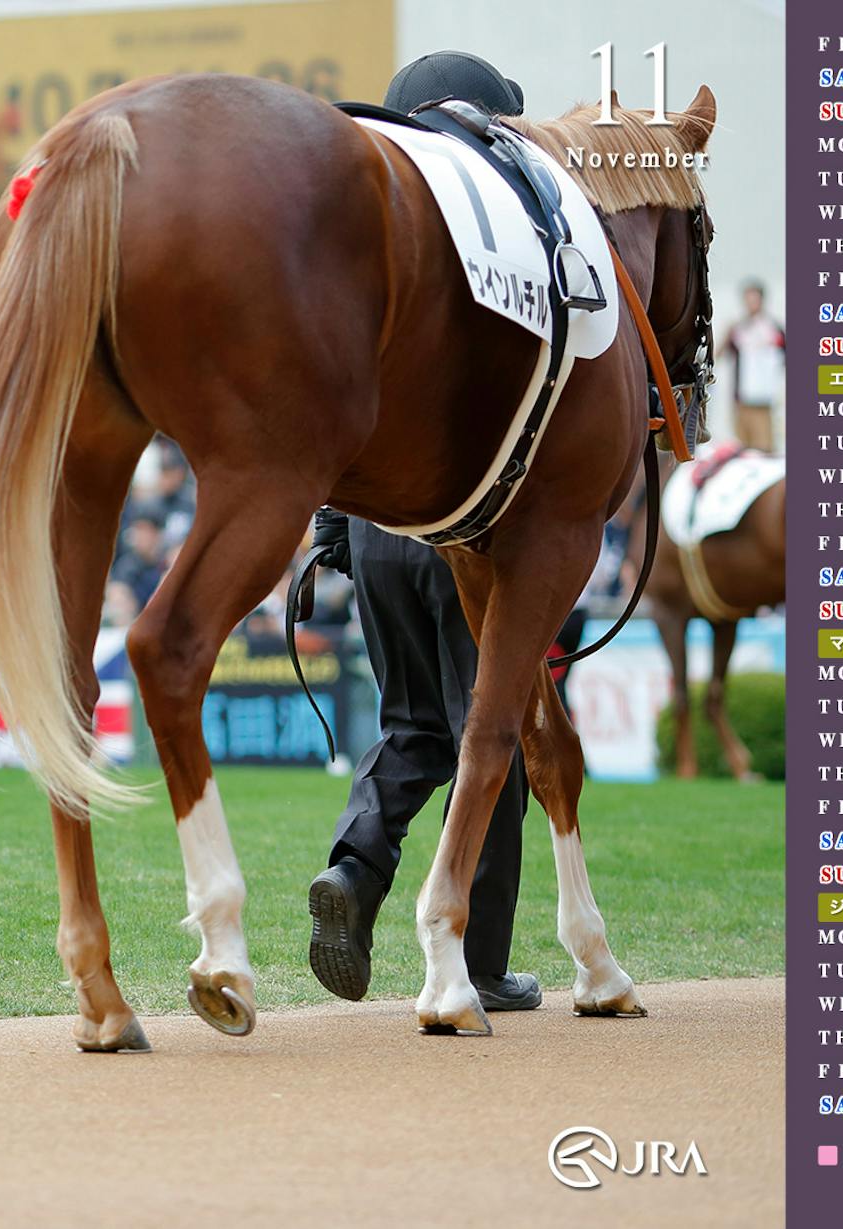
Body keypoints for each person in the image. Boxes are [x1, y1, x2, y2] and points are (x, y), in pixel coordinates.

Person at [303, 50, 541, 1015]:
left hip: (370, 528)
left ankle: (355, 873)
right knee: (497, 741)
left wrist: (329, 526)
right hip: (465, 532)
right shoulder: (505, 249)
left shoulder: (372, 255)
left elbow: (332, 404)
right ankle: (480, 963)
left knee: (410, 726)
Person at [721, 279, 784, 454]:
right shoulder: (738, 329)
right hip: (741, 399)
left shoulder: (773, 328)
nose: (750, 304)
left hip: (763, 400)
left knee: (764, 449)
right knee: (742, 449)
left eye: (754, 299)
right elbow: (720, 355)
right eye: (747, 299)